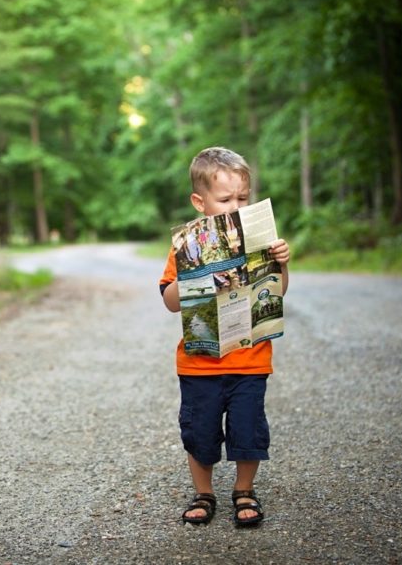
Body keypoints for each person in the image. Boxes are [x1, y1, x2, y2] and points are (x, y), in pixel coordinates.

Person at [159, 147, 291, 527]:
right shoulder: (185, 246)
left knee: (248, 428)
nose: (236, 206)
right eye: (225, 199)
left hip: (251, 358)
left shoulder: (260, 239)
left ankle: (244, 489)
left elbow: (277, 292)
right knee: (200, 431)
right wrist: (191, 272)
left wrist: (282, 263)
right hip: (200, 363)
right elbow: (170, 302)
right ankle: (204, 492)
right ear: (200, 202)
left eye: (242, 198)